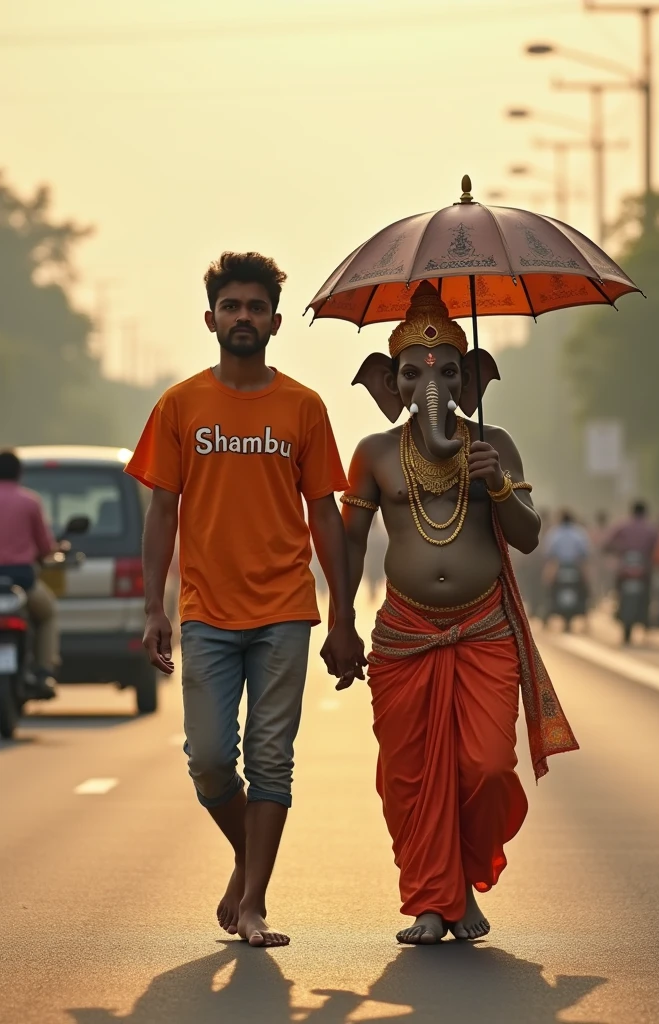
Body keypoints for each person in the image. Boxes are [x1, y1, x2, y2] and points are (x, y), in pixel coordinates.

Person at [125, 252, 365, 948]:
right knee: (207, 758)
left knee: (270, 758)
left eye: (256, 307)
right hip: (205, 610)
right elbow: (161, 511)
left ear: (275, 322)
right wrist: (152, 607)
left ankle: (254, 901)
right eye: (231, 306)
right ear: (210, 319)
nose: (243, 317)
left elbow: (325, 514)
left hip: (286, 609)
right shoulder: (179, 405)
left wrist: (344, 615)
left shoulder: (303, 407)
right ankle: (247, 854)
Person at [336, 282, 578, 945]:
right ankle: (432, 901)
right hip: (404, 635)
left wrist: (495, 482)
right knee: (410, 775)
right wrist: (338, 623)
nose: (431, 382)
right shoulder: (375, 455)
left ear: (470, 378)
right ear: (391, 384)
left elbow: (526, 536)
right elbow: (349, 543)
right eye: (415, 373)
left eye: (447, 370)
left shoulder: (493, 444)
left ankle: (467, 873)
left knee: (487, 766)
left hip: (483, 628)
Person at [0, 449, 59, 699]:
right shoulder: (30, 501)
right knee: (47, 614)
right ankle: (44, 670)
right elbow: (46, 548)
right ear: (19, 473)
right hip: (22, 581)